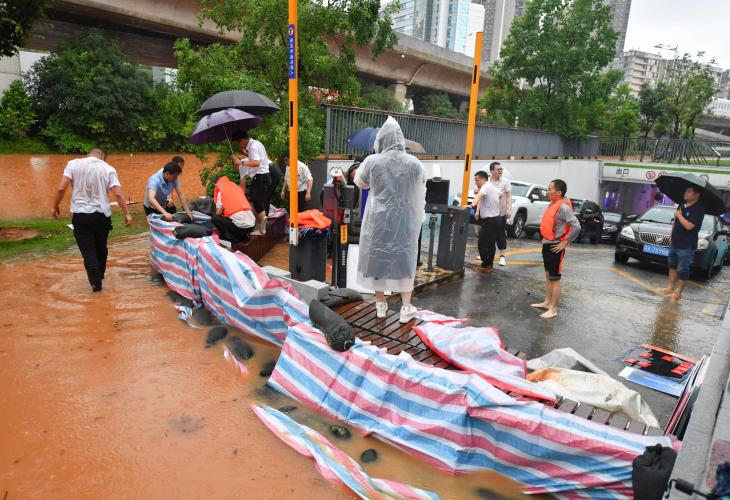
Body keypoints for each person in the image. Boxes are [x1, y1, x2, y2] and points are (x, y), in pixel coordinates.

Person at [354, 116, 426, 324]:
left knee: (378, 258)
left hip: (378, 220)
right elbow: (421, 186)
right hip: (405, 220)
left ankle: (380, 304)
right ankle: (406, 308)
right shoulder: (415, 164)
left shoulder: (372, 161)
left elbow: (360, 183)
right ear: (401, 139)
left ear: (381, 139)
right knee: (405, 259)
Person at [52, 148, 132, 292]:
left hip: (81, 216)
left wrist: (55, 206)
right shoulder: (108, 168)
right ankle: (99, 275)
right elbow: (118, 194)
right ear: (103, 157)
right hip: (102, 216)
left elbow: (61, 189)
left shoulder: (73, 164)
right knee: (101, 247)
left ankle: (96, 285)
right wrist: (127, 213)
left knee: (88, 252)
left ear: (88, 154)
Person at [531, 179, 581, 319]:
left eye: (549, 189)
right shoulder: (552, 204)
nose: (547, 192)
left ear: (558, 192)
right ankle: (547, 302)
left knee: (555, 278)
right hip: (547, 244)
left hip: (556, 246)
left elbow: (577, 226)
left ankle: (553, 309)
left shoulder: (563, 207)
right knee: (548, 275)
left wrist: (565, 242)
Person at [659, 186, 705, 303]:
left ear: (696, 195)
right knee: (672, 265)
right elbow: (675, 222)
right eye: (685, 191)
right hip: (675, 242)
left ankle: (678, 292)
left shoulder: (699, 210)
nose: (685, 193)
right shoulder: (681, 206)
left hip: (687, 245)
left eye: (689, 191)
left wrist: (679, 215)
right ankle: (670, 288)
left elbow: (689, 226)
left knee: (683, 269)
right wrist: (671, 234)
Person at [231, 130, 271, 235]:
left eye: (238, 143)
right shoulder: (256, 143)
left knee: (257, 203)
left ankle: (262, 230)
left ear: (242, 140)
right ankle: (262, 226)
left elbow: (257, 163)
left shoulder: (253, 146)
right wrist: (244, 157)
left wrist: (240, 162)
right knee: (258, 201)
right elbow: (256, 159)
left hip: (260, 176)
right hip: (264, 176)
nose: (239, 145)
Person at [471, 170, 503, 273]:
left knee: (482, 244)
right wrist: (498, 207)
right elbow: (501, 195)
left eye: (477, 180)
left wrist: (472, 205)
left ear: (482, 179)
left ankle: (485, 265)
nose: (476, 182)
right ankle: (489, 266)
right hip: (496, 219)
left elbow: (479, 195)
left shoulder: (485, 187)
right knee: (490, 244)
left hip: (490, 221)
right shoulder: (492, 187)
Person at [211, 175, 256, 244]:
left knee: (215, 218)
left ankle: (231, 238)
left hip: (241, 226)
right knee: (235, 218)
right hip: (252, 225)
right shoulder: (236, 188)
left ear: (217, 184)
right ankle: (243, 236)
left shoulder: (221, 192)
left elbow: (218, 213)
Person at [489, 162, 512, 266]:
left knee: (500, 235)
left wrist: (509, 209)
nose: (501, 171)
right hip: (489, 213)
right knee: (488, 234)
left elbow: (509, 196)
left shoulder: (505, 182)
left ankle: (502, 257)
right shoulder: (487, 181)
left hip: (500, 213)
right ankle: (487, 253)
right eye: (498, 169)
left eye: (501, 169)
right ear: (492, 171)